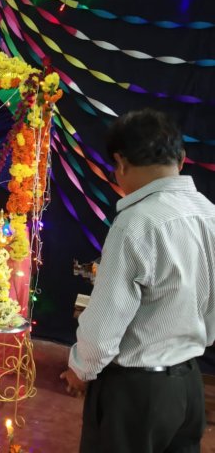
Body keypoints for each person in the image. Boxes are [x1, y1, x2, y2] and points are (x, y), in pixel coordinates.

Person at [60, 108, 215, 452]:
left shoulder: (136, 223)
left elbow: (105, 323)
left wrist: (80, 369)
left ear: (120, 162)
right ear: (181, 158)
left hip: (136, 394)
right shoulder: (209, 214)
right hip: (189, 385)